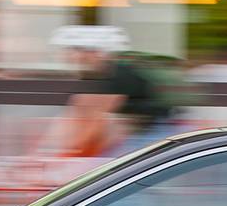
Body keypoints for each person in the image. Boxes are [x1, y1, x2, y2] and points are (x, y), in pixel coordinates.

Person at [51, 25, 182, 155]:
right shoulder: (94, 74)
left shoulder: (117, 73)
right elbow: (79, 111)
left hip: (157, 128)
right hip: (141, 128)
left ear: (95, 52)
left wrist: (69, 152)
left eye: (79, 51)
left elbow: (96, 120)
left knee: (117, 163)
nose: (74, 57)